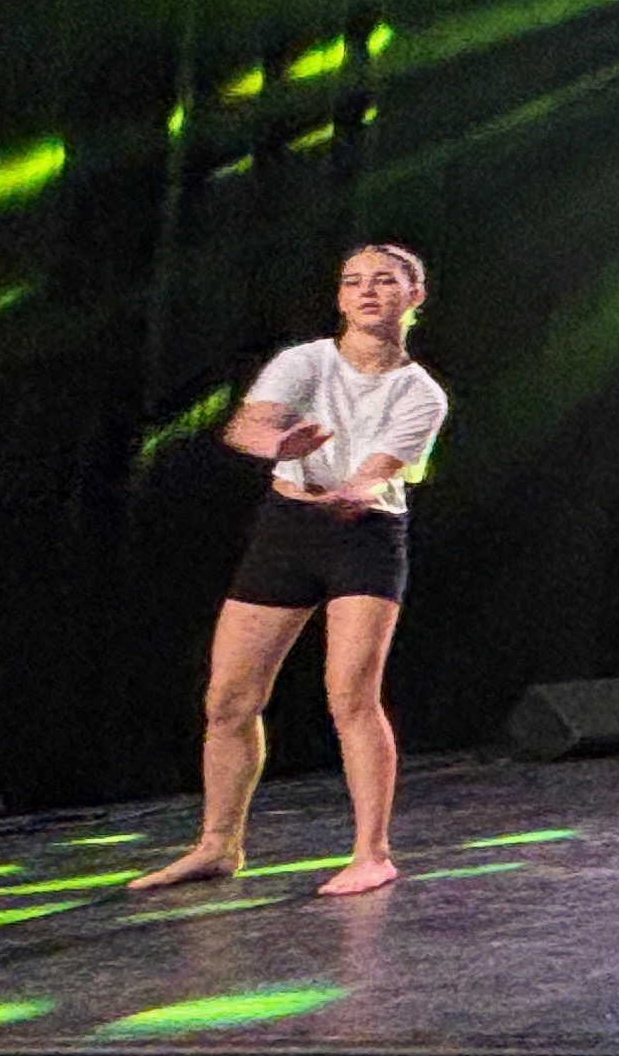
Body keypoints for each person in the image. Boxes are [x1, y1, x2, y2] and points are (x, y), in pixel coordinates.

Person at [135, 243, 452, 898]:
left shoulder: (420, 393)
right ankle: (219, 845)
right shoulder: (305, 362)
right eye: (353, 282)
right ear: (340, 297)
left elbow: (375, 474)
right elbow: (246, 427)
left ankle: (372, 854)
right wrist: (279, 444)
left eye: (383, 281)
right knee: (229, 699)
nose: (367, 291)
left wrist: (353, 491)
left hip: (366, 537)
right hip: (285, 529)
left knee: (351, 695)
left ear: (413, 296)